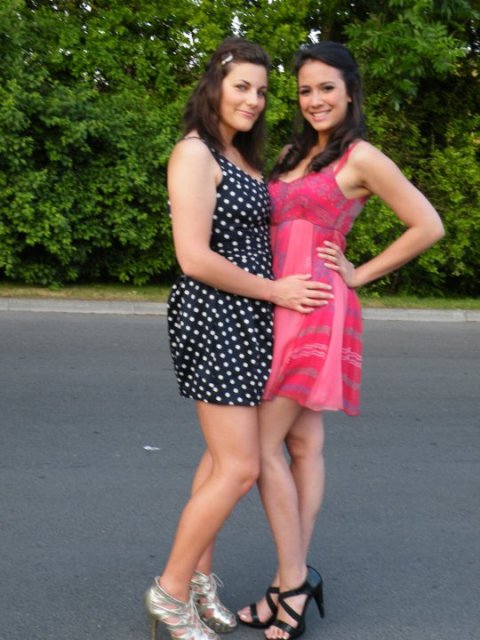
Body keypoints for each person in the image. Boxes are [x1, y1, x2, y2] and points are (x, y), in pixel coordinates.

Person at [237, 40, 445, 640]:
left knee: (260, 448)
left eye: (326, 87)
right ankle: (290, 580)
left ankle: (292, 584)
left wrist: (358, 273)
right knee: (302, 444)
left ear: (350, 91)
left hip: (316, 309)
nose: (315, 99)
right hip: (277, 302)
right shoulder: (290, 152)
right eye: (305, 90)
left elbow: (427, 224)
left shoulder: (362, 157)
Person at [144, 37, 332, 640]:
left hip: (250, 317)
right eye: (241, 86)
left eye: (262, 90)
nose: (253, 99)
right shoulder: (193, 153)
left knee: (217, 458)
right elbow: (194, 257)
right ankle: (170, 592)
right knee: (241, 466)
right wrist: (276, 291)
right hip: (215, 314)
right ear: (214, 87)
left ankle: (200, 580)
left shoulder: (242, 156)